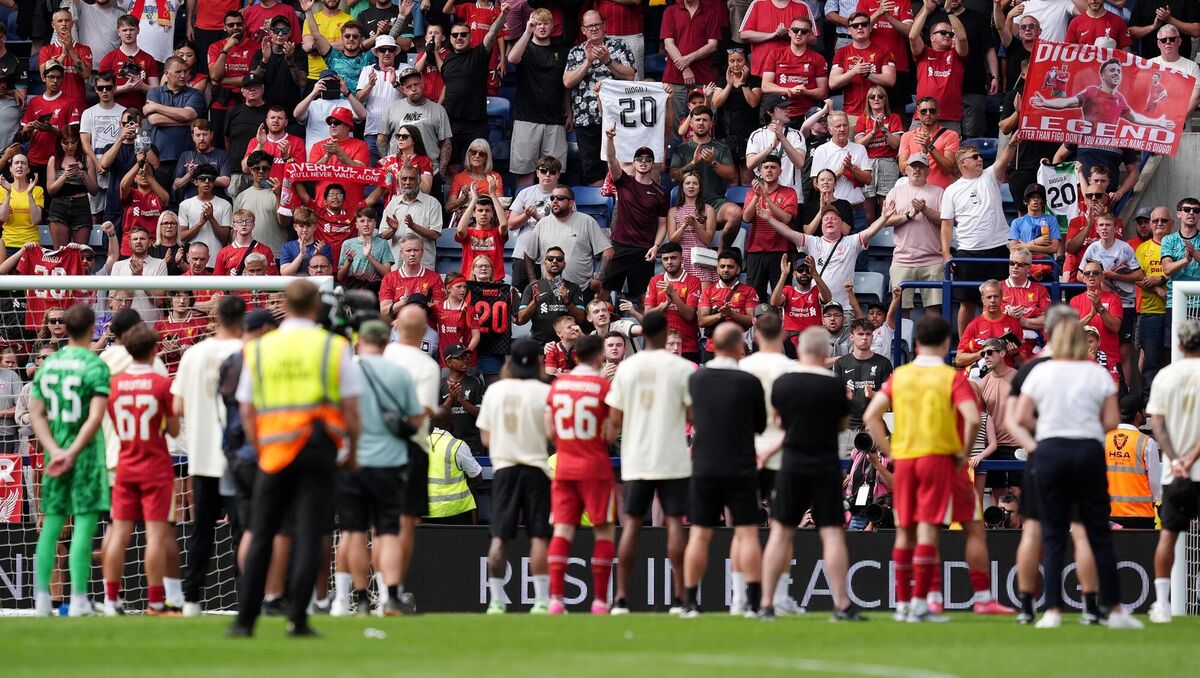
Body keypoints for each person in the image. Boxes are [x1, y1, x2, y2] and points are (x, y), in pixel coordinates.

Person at [229, 280, 362, 638]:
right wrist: (351, 450)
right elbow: (351, 407)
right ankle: (298, 620)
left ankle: (245, 621)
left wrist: (260, 448)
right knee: (308, 535)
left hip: (273, 452)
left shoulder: (259, 348)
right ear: (317, 307)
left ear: (285, 305)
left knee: (261, 534)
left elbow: (245, 408)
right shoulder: (332, 347)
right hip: (318, 449)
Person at [1008, 317, 1142, 629]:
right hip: (1087, 452)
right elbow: (1111, 420)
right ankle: (1112, 609)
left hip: (1050, 451)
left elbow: (1020, 416)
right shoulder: (1096, 374)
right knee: (1095, 533)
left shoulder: (1040, 373)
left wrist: (1042, 437)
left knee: (1052, 534)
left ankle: (1051, 610)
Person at [863, 314, 980, 622]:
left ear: (916, 343)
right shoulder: (951, 377)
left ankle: (902, 605)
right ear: (946, 344)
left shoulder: (900, 375)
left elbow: (871, 414)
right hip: (936, 458)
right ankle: (918, 604)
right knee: (927, 530)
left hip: (906, 460)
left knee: (905, 531)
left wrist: (890, 451)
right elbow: (972, 418)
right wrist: (962, 453)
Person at [759, 325, 863, 621]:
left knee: (780, 533)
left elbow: (779, 422)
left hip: (791, 463)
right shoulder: (834, 386)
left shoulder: (783, 384)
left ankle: (766, 604)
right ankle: (841, 605)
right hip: (825, 465)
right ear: (823, 352)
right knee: (831, 535)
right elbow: (843, 425)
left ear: (801, 350)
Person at [606, 311, 695, 614]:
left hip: (637, 458)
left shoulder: (627, 369)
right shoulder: (682, 368)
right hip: (672, 457)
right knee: (674, 526)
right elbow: (694, 416)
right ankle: (681, 598)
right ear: (665, 334)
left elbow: (613, 423)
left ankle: (620, 599)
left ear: (643, 334)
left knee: (631, 526)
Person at [334, 319, 424, 616]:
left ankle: (360, 598)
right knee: (388, 531)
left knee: (355, 532)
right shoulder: (399, 374)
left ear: (360, 341)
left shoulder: (346, 372)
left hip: (352, 460)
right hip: (390, 461)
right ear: (387, 342)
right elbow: (415, 420)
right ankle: (392, 594)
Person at [679, 322, 766, 618]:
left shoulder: (697, 379)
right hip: (740, 465)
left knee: (700, 535)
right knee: (747, 535)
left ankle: (690, 602)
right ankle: (753, 604)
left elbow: (690, 415)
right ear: (738, 347)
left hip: (704, 464)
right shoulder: (749, 381)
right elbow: (761, 425)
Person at [30, 304, 111, 617]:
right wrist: (74, 451)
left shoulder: (48, 364)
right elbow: (95, 416)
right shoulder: (94, 365)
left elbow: (36, 414)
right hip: (86, 455)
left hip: (54, 454)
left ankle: (41, 601)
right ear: (92, 328)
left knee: (51, 526)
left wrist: (55, 449)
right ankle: (78, 600)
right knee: (84, 527)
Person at [171, 295, 245, 616]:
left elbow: (176, 407)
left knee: (201, 531)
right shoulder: (250, 354)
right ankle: (247, 597)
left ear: (215, 316)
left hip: (203, 456)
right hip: (240, 456)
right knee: (243, 530)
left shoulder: (193, 354)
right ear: (242, 319)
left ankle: (190, 600)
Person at [101, 323, 181, 616]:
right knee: (155, 535)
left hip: (125, 463)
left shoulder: (114, 385)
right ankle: (156, 601)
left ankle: (110, 600)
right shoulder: (161, 384)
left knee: (118, 532)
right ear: (154, 349)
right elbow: (173, 430)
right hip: (155, 466)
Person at [475, 338, 553, 614]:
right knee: (539, 537)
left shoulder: (495, 391)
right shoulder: (545, 392)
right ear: (537, 362)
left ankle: (496, 601)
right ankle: (541, 601)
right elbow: (552, 433)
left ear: (509, 362)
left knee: (499, 537)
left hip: (505, 470)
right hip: (536, 469)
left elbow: (485, 437)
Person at [543, 335, 617, 614]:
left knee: (562, 530)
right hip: (596, 466)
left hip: (564, 465)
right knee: (604, 531)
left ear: (575, 356)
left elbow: (550, 429)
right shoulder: (602, 387)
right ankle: (599, 601)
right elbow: (610, 434)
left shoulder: (559, 385)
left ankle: (556, 599)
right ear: (599, 357)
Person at [737, 312, 803, 615]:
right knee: (782, 528)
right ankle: (778, 597)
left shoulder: (742, 367)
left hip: (746, 455)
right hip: (782, 456)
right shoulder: (794, 369)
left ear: (755, 334)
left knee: (744, 530)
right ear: (785, 334)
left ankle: (741, 601)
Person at [1146, 318, 1200, 623]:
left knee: (1168, 536)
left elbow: (1158, 425)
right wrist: (1191, 458)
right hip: (1191, 468)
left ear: (1179, 344)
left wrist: (1176, 458)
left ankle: (1163, 604)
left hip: (1175, 474)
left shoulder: (1165, 377)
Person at [941, 141, 1020, 336]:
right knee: (967, 303)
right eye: (975, 157)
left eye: (980, 156)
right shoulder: (951, 190)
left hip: (998, 248)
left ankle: (1000, 341)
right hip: (968, 251)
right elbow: (946, 224)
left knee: (1000, 300)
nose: (980, 160)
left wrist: (1012, 144)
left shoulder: (989, 176)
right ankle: (963, 346)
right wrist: (945, 253)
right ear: (962, 163)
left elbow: (1003, 160)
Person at [564, 10, 635, 184]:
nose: (594, 28)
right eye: (590, 26)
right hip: (585, 119)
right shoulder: (575, 52)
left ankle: (617, 207)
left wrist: (608, 61)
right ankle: (600, 207)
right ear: (583, 29)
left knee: (618, 166)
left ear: (604, 25)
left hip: (615, 119)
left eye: (597, 24)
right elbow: (567, 82)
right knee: (592, 169)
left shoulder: (620, 46)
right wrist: (587, 61)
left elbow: (630, 75)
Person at [604, 129, 669, 301]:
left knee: (643, 297)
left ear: (653, 165)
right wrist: (609, 139)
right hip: (620, 245)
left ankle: (648, 327)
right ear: (633, 163)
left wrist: (655, 246)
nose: (643, 161)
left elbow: (663, 224)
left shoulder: (661, 192)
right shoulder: (624, 181)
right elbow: (611, 159)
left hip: (643, 249)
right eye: (639, 158)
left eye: (648, 159)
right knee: (604, 290)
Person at [669, 106, 743, 251]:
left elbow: (732, 175)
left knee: (735, 213)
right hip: (688, 204)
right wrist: (692, 163)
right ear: (691, 123)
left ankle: (722, 255)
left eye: (705, 120)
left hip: (715, 203)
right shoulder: (682, 148)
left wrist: (712, 163)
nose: (701, 123)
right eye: (697, 120)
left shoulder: (721, 147)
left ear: (711, 123)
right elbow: (673, 177)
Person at [506, 11, 567, 186]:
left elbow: (565, 86)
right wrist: (526, 32)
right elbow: (512, 58)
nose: (541, 26)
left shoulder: (561, 51)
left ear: (552, 25)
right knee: (524, 173)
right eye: (537, 23)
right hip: (526, 117)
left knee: (552, 175)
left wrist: (568, 112)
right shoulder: (524, 46)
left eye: (545, 23)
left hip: (554, 119)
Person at [1030, 58, 1177, 131]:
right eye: (1112, 70)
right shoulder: (1092, 91)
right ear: (1102, 75)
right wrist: (1046, 103)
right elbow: (1068, 102)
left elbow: (1134, 118)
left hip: (1110, 148)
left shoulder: (1120, 98)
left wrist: (1157, 122)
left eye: (1118, 71)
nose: (1116, 73)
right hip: (1088, 145)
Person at [697, 249, 758, 358]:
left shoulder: (749, 291)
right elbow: (701, 321)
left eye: (730, 267)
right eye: (722, 266)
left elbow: (752, 320)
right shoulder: (708, 291)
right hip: (713, 348)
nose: (725, 270)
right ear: (717, 269)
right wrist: (720, 315)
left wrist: (732, 314)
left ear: (738, 269)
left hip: (739, 350)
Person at [808, 111, 872, 213]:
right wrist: (841, 171)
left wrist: (852, 168)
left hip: (857, 209)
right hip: (833, 210)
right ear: (830, 129)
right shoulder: (822, 150)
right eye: (838, 126)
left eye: (845, 125)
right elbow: (816, 184)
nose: (842, 129)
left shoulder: (860, 149)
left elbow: (868, 180)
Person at [1136, 207, 1172, 388]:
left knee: (1174, 359)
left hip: (1176, 311)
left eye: (1164, 221)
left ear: (1172, 224)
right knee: (1151, 362)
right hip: (1151, 311)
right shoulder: (1143, 248)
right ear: (1150, 224)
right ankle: (1149, 403)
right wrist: (1158, 288)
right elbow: (1137, 277)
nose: (1159, 224)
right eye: (1156, 221)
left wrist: (1159, 280)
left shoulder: (1178, 245)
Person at [955, 280, 1025, 369]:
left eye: (996, 296)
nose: (992, 300)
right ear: (983, 300)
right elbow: (958, 360)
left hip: (1005, 377)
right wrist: (983, 353)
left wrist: (1015, 353)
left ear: (1002, 298)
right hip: (980, 378)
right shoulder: (974, 325)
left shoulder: (1013, 323)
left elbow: (1024, 362)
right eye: (989, 297)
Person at [898, 96, 960, 190]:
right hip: (916, 192)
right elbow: (902, 168)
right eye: (924, 111)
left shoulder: (951, 135)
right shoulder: (907, 136)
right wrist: (921, 154)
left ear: (938, 113)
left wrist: (930, 147)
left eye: (932, 111)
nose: (928, 114)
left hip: (942, 191)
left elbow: (948, 168)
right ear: (918, 114)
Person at [379, 233, 446, 319]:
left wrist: (420, 303)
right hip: (398, 327)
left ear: (422, 252)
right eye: (408, 250)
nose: (412, 254)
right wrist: (403, 302)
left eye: (416, 250)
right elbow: (384, 312)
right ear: (401, 254)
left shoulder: (434, 277)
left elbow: (441, 310)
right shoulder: (389, 278)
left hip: (425, 327)